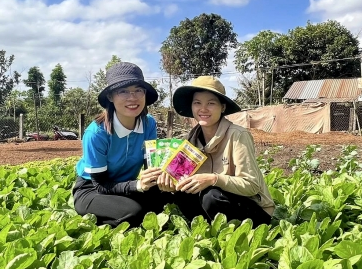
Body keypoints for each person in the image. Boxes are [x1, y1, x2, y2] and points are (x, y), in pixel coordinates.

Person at [157, 76, 275, 227]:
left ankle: (234, 234)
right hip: (216, 206)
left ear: (223, 107)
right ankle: (209, 230)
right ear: (192, 107)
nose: (203, 109)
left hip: (255, 210)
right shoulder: (188, 141)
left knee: (211, 196)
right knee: (183, 192)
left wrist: (213, 179)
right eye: (197, 103)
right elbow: (179, 179)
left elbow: (251, 185)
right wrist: (169, 184)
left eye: (211, 103)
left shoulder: (238, 135)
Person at [72, 62, 168, 227]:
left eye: (138, 90)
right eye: (123, 91)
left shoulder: (149, 124)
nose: (133, 97)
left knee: (165, 200)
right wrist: (138, 185)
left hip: (126, 186)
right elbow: (101, 185)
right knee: (135, 213)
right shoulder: (96, 133)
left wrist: (165, 177)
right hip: (93, 189)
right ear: (110, 96)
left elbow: (151, 167)